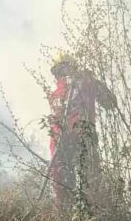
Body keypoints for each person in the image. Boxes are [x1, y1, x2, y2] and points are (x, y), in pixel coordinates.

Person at [48, 52, 117, 200]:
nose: (64, 73)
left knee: (88, 178)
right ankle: (70, 209)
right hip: (65, 141)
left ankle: (88, 206)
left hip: (80, 137)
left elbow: (110, 103)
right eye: (60, 70)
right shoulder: (56, 94)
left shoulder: (86, 82)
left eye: (65, 68)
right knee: (66, 182)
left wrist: (94, 84)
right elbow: (110, 103)